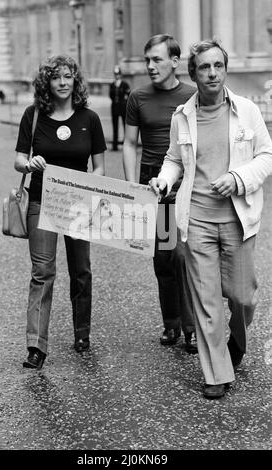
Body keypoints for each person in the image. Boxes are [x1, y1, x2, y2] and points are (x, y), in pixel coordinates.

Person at [150, 38, 272, 399]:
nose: (213, 73)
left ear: (225, 68)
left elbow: (266, 156)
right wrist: (164, 179)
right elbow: (174, 159)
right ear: (194, 73)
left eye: (218, 65)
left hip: (238, 218)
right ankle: (216, 372)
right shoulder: (183, 116)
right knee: (206, 298)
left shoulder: (246, 110)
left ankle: (236, 338)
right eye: (205, 67)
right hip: (197, 218)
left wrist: (238, 179)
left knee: (242, 296)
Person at [14, 55, 106, 369]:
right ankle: (36, 346)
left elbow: (100, 166)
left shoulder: (89, 119)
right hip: (42, 202)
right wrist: (30, 163)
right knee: (42, 273)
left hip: (79, 205)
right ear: (47, 83)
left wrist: (94, 185)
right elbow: (18, 160)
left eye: (68, 77)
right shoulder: (34, 115)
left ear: (75, 81)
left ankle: (82, 333)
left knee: (81, 269)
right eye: (56, 78)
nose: (63, 83)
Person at [123, 34, 197, 353]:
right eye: (147, 60)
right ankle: (172, 323)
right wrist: (131, 190)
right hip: (156, 193)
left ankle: (192, 328)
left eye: (156, 59)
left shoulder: (193, 96)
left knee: (187, 258)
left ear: (175, 62)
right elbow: (128, 144)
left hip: (189, 192)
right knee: (164, 259)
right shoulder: (137, 98)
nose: (150, 66)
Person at [109, 65, 130, 151]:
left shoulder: (125, 84)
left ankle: (127, 145)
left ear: (120, 74)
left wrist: (124, 101)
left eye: (118, 74)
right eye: (115, 74)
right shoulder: (112, 84)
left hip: (122, 107)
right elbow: (110, 95)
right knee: (115, 126)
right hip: (114, 107)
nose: (117, 75)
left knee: (125, 126)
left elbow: (128, 94)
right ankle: (115, 146)